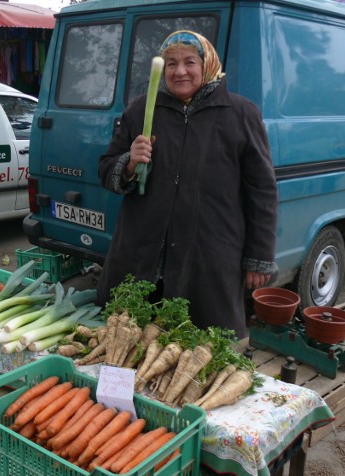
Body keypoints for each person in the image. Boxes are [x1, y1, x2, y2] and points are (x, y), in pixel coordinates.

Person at [96, 30, 278, 338]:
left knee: (201, 345)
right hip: (141, 254)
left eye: (189, 62)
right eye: (171, 63)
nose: (179, 71)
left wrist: (259, 258)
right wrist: (128, 162)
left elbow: (262, 191)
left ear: (207, 64)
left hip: (209, 255)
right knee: (127, 339)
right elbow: (105, 169)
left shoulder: (241, 114)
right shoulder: (141, 110)